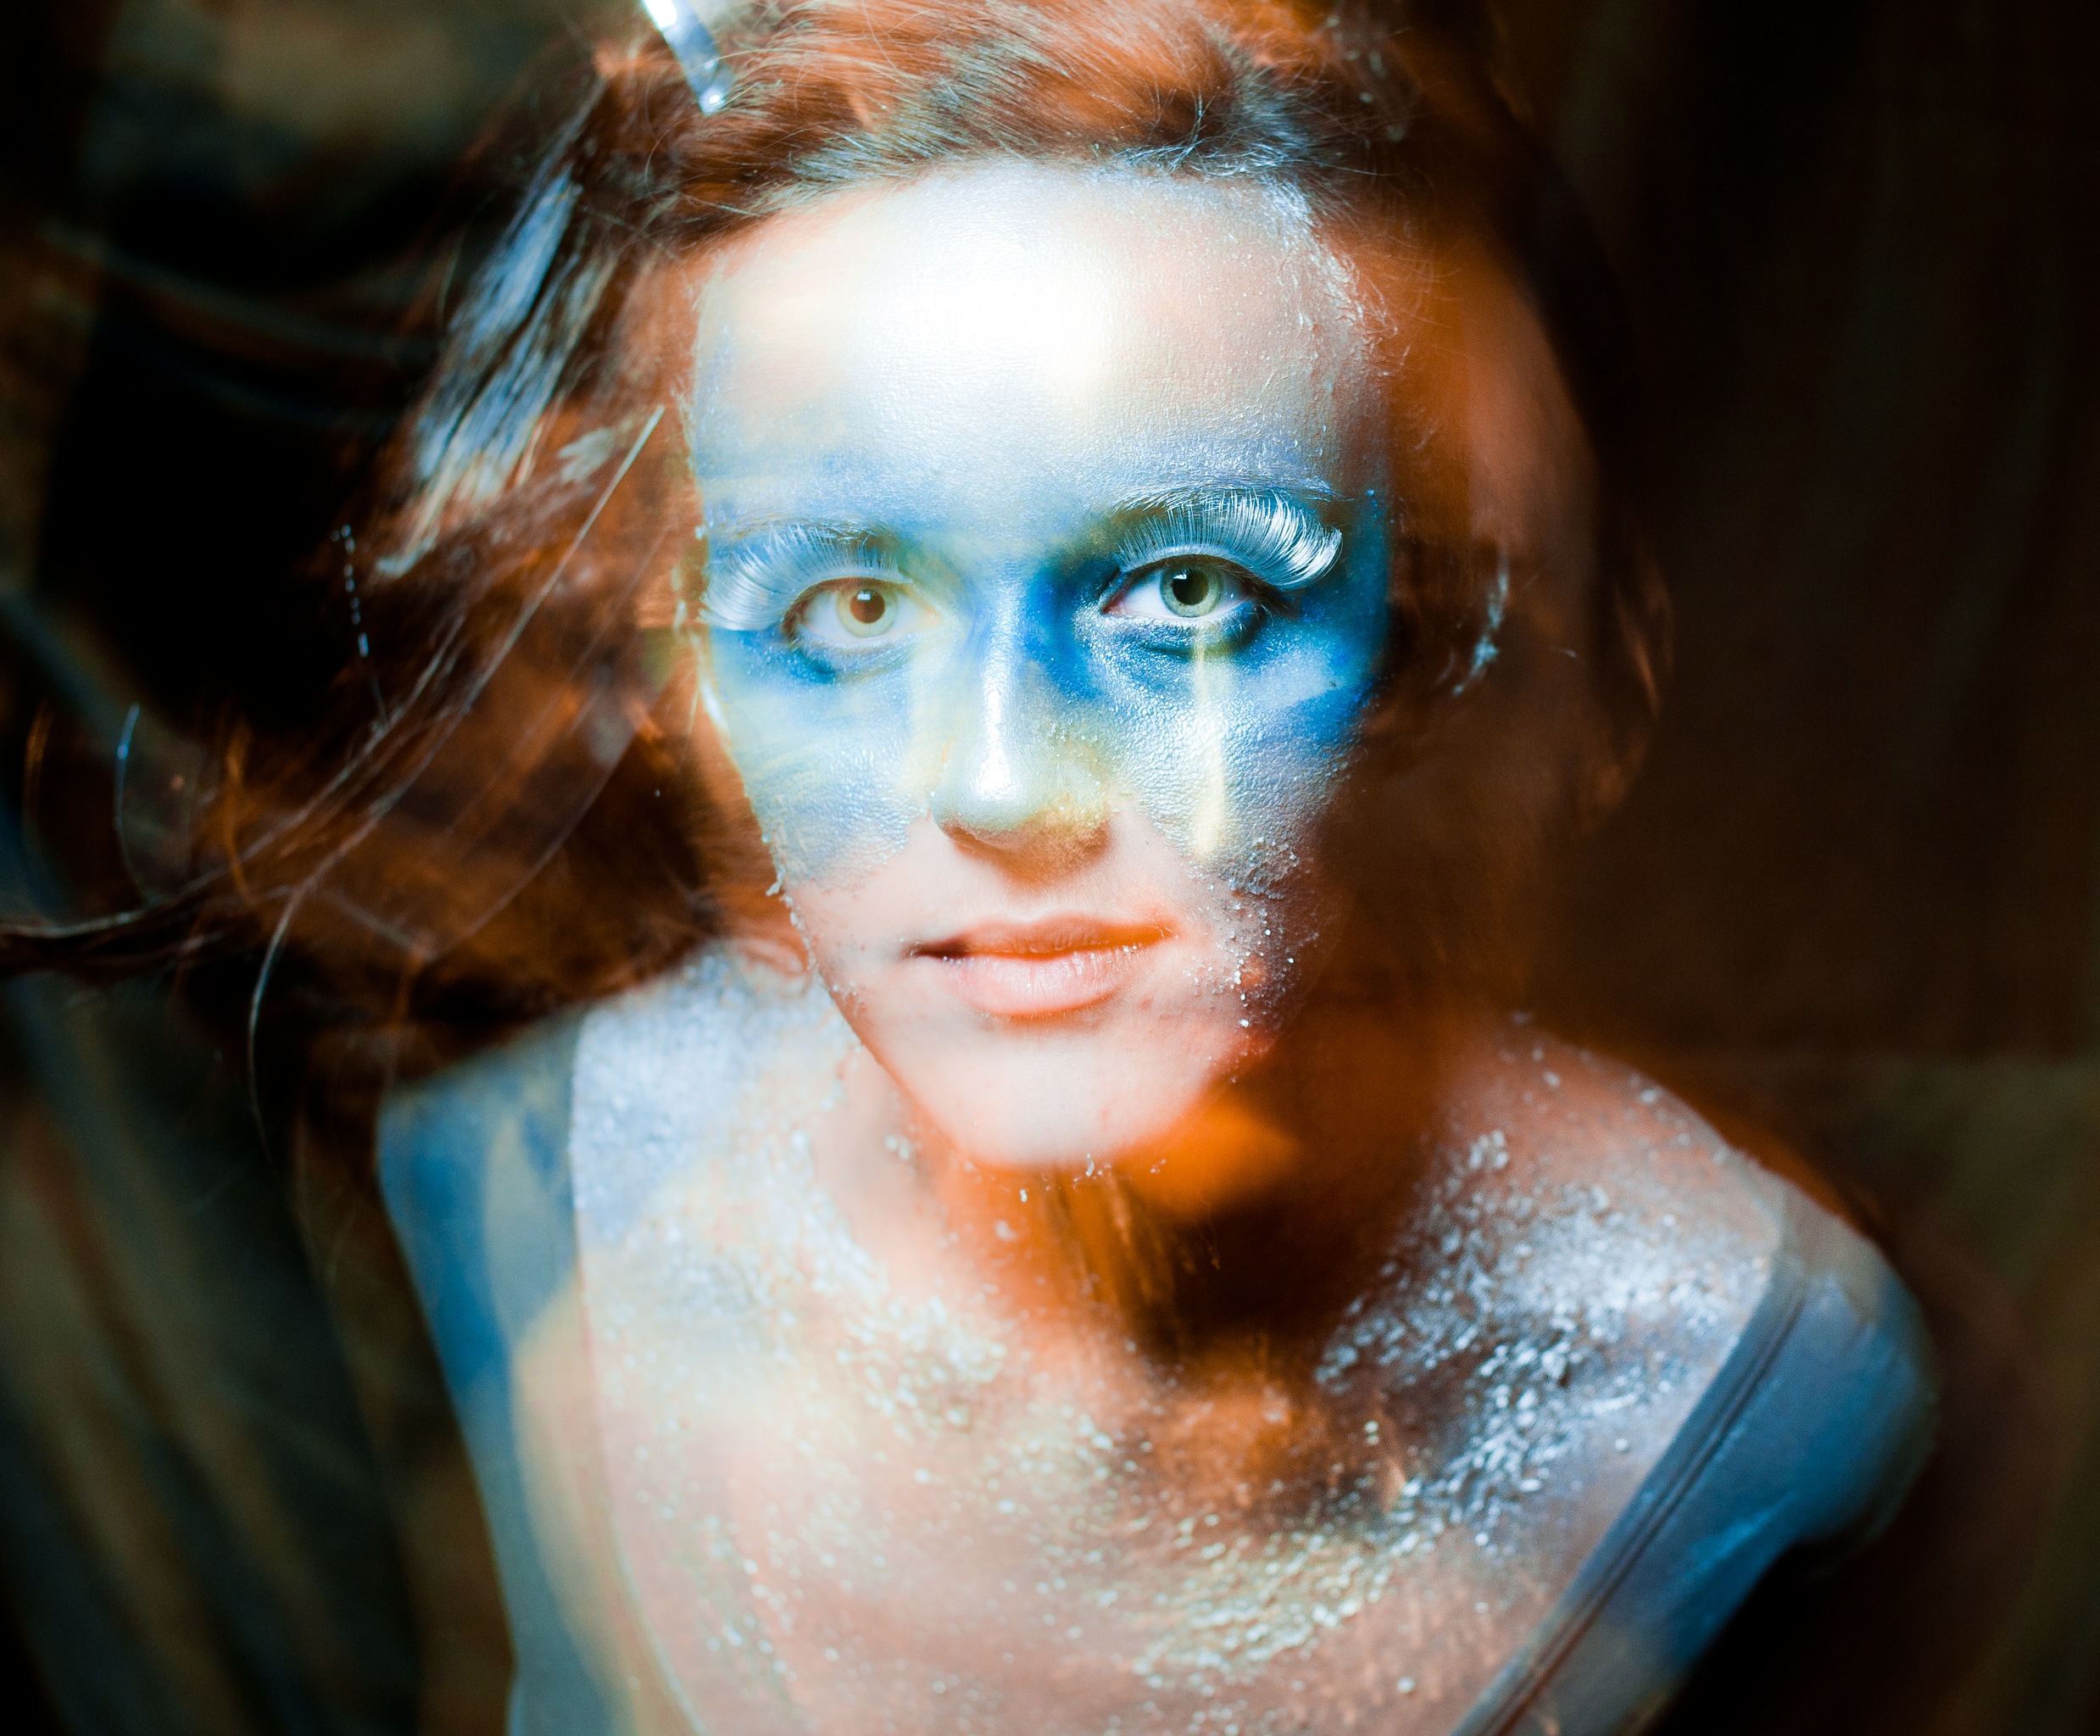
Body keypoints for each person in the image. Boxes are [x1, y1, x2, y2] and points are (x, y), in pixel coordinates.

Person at [17, 2, 1938, 1732]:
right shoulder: (537, 1175)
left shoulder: (1752, 1369)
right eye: (848, 608)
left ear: (1421, 638)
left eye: (1187, 592)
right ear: (676, 676)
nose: (1007, 783)